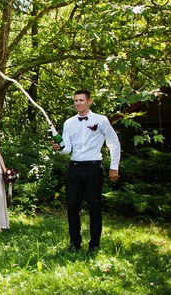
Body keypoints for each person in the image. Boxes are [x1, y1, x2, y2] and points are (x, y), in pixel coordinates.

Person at [54, 90, 120, 253]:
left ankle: (94, 246)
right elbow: (67, 149)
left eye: (81, 100)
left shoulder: (101, 120)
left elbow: (113, 142)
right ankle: (75, 244)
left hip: (93, 168)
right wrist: (60, 147)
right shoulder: (69, 123)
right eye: (75, 100)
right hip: (74, 169)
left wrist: (114, 167)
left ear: (89, 102)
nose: (78, 103)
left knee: (94, 208)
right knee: (72, 207)